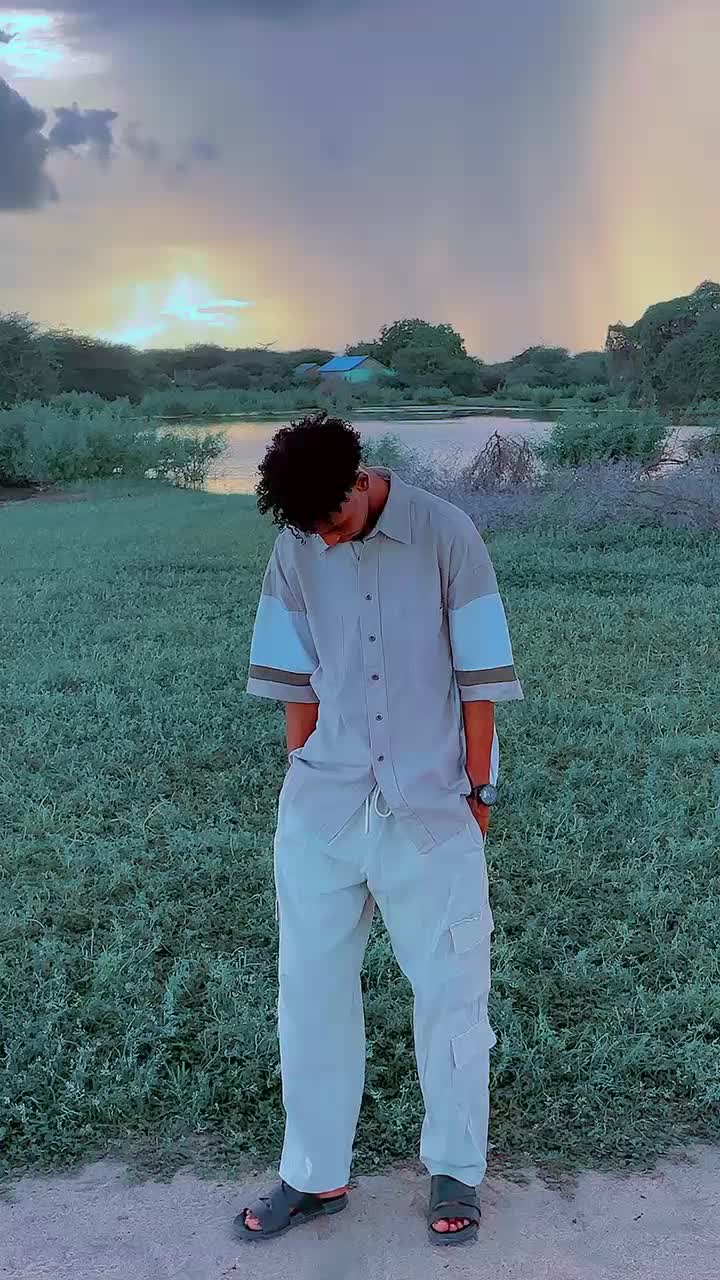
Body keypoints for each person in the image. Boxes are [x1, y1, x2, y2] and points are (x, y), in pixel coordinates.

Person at [235, 413, 523, 1248]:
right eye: (310, 528)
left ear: (360, 480)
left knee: (452, 997)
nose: (325, 539)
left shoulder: (447, 533)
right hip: (323, 812)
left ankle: (456, 1169)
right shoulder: (296, 544)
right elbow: (294, 679)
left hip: (432, 807)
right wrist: (302, 770)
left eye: (335, 519)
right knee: (309, 998)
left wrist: (479, 791)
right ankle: (313, 1175)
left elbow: (481, 680)